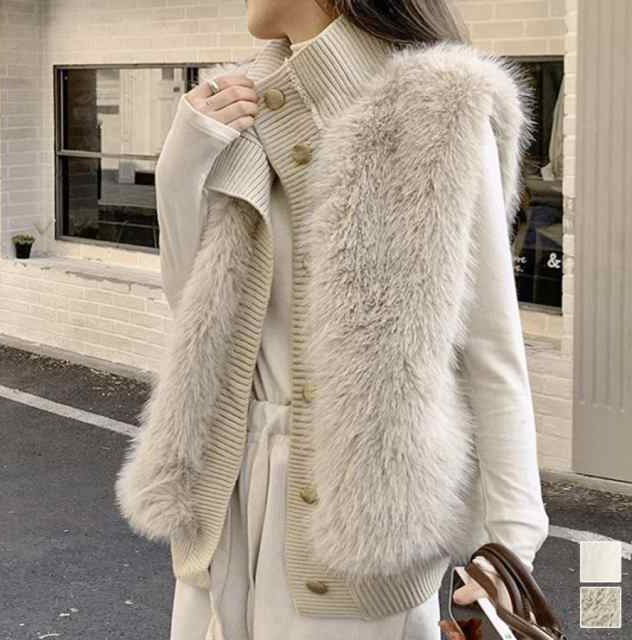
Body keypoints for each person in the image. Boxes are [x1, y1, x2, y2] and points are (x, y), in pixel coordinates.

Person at [115, 1, 550, 639]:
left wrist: (511, 539)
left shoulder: (437, 111)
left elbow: (489, 349)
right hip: (226, 502)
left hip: (357, 522)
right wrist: (180, 167)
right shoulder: (239, 107)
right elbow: (196, 315)